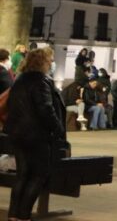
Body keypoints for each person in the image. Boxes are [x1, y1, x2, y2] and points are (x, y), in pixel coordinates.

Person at [5, 48, 66, 221]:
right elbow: (45, 108)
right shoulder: (40, 81)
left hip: (17, 133)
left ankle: (14, 215)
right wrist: (58, 128)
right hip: (36, 135)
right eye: (50, 60)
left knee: (22, 174)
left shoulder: (20, 79)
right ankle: (24, 215)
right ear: (43, 62)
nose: (52, 63)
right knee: (39, 174)